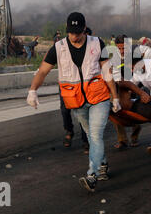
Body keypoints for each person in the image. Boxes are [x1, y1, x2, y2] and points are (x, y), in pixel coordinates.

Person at [27, 12, 121, 193]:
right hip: (76, 101)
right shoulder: (58, 47)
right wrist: (33, 90)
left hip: (99, 98)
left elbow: (107, 71)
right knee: (91, 135)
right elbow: (42, 71)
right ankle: (103, 164)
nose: (74, 36)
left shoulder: (97, 43)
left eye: (78, 32)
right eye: (71, 32)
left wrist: (115, 96)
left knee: (95, 135)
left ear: (84, 29)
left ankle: (92, 175)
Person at [117, 46, 151, 157]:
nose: (132, 70)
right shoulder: (138, 69)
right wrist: (125, 95)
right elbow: (133, 83)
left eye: (132, 67)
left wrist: (147, 99)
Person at [52, 29, 90, 154]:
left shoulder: (92, 48)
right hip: (67, 84)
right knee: (64, 109)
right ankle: (69, 130)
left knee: (82, 112)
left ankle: (86, 140)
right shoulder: (64, 47)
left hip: (83, 85)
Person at [112, 35, 142, 149]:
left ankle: (134, 136)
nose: (121, 51)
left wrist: (132, 88)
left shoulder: (135, 54)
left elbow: (139, 74)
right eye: (119, 48)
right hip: (119, 86)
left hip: (135, 85)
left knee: (135, 112)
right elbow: (114, 74)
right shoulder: (114, 57)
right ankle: (122, 140)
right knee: (117, 112)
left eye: (124, 48)